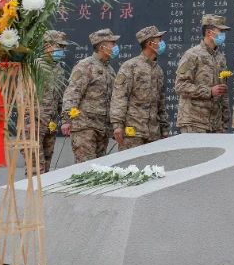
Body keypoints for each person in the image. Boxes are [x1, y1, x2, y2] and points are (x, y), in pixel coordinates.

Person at [61, 29, 119, 161]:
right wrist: (66, 120)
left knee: (99, 169)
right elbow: (72, 93)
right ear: (102, 46)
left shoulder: (109, 69)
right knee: (85, 167)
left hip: (102, 128)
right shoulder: (85, 66)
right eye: (112, 43)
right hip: (84, 127)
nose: (115, 47)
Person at [111, 26, 167, 149]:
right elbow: (119, 96)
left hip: (154, 133)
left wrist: (164, 129)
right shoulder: (130, 67)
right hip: (133, 132)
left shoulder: (158, 70)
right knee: (131, 168)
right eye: (159, 39)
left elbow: (160, 102)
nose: (162, 43)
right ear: (149, 43)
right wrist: (117, 125)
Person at [175, 15, 230, 134]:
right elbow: (180, 86)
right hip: (194, 122)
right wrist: (209, 91)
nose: (223, 35)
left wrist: (225, 122)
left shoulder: (220, 58)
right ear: (209, 33)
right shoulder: (192, 55)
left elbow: (223, 93)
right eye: (221, 31)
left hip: (216, 125)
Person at [37, 31, 69, 172]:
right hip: (35, 121)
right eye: (59, 46)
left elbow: (61, 96)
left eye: (63, 47)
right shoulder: (35, 66)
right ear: (48, 46)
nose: (62, 50)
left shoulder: (59, 69)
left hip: (51, 121)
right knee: (36, 164)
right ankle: (33, 193)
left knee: (47, 161)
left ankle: (42, 193)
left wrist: (65, 118)